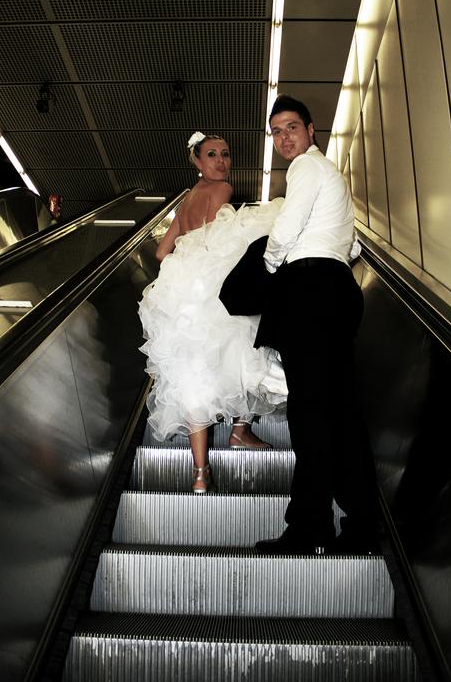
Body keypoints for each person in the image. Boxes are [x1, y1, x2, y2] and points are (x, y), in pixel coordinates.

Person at [252, 95, 380, 555]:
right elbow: (353, 246)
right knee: (341, 412)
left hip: (309, 292)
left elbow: (287, 228)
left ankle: (309, 528)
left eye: (291, 127)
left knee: (310, 415)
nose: (284, 137)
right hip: (338, 292)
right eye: (276, 131)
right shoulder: (333, 175)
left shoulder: (306, 167)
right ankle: (361, 526)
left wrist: (270, 267)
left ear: (311, 130)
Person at [138, 132, 287, 494]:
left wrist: (185, 266)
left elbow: (161, 253)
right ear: (197, 160)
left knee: (193, 377)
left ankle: (200, 474)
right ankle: (239, 431)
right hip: (210, 287)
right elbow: (211, 240)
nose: (221, 161)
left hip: (183, 295)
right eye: (212, 155)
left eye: (225, 154)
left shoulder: (187, 199)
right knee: (247, 348)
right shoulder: (223, 189)